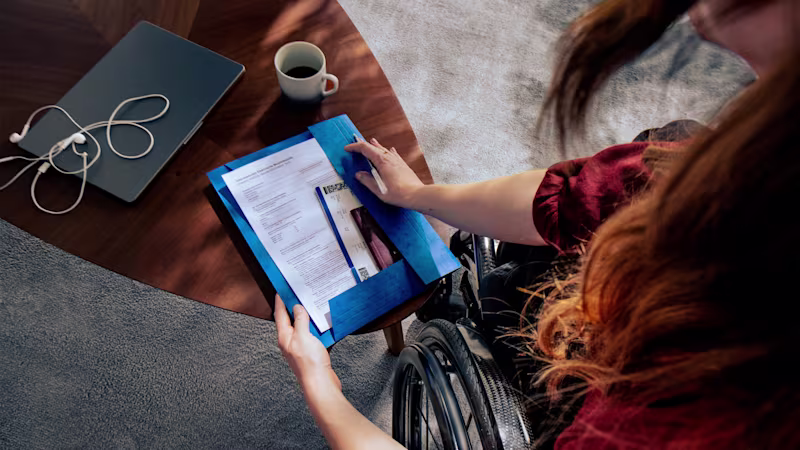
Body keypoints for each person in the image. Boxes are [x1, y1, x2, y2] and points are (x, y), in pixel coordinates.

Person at [275, 0, 800, 448]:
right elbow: (569, 198)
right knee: (670, 138)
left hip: (588, 372)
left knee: (506, 290)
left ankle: (490, 298)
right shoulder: (740, 165)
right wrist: (418, 195)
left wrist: (322, 387)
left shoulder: (664, 423)